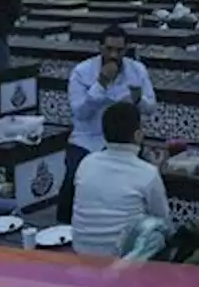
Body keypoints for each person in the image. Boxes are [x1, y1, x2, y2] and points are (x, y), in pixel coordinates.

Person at [56, 25, 158, 225]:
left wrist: (138, 100)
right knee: (72, 179)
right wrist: (100, 84)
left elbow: (151, 107)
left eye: (119, 51)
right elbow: (80, 113)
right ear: (100, 47)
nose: (113, 55)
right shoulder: (82, 72)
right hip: (87, 138)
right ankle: (64, 226)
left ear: (126, 49)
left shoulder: (137, 70)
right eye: (108, 49)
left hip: (124, 140)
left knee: (138, 178)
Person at [70, 102, 170, 258]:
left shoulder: (86, 163)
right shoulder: (147, 173)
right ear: (137, 135)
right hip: (121, 260)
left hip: (81, 250)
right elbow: (162, 219)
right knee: (159, 234)